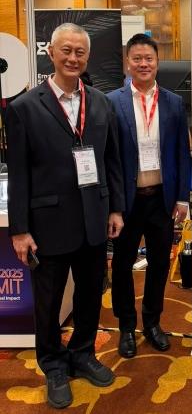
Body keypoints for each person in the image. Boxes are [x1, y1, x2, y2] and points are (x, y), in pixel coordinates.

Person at [7, 23, 125, 409]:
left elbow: (111, 161)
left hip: (94, 219)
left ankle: (83, 353)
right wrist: (19, 229)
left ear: (88, 57)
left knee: (90, 295)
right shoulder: (24, 107)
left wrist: (116, 208)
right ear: (51, 53)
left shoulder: (102, 103)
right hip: (47, 225)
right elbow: (19, 174)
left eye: (80, 52)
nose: (73, 58)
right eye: (66, 51)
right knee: (49, 303)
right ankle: (54, 365)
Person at [108, 33, 191, 359]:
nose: (143, 64)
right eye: (137, 58)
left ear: (157, 63)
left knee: (158, 263)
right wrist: (112, 206)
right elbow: (108, 158)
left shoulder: (173, 102)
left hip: (161, 199)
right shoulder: (111, 102)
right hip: (127, 201)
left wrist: (182, 198)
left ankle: (153, 323)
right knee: (122, 266)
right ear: (127, 63)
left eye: (149, 59)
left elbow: (182, 153)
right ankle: (127, 327)